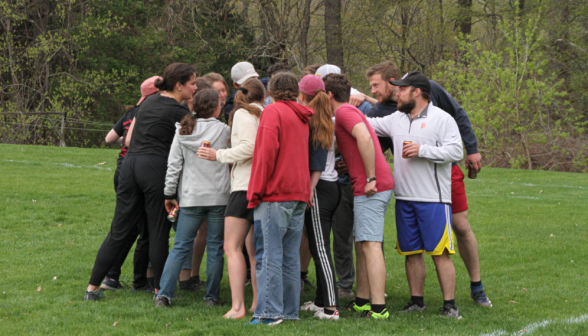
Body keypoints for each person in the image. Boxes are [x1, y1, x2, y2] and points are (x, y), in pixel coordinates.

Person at [364, 60, 491, 307]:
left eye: (401, 89)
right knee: (411, 253)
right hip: (405, 199)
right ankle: (416, 301)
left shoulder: (442, 118)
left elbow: (455, 151)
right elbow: (367, 124)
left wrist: (424, 150)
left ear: (417, 92)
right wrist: (334, 111)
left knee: (440, 253)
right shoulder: (395, 119)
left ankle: (451, 305)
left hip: (433, 200)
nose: (396, 93)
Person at [84, 63, 196, 301]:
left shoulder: (147, 103)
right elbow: (195, 143)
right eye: (193, 83)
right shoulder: (179, 112)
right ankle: (159, 291)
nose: (195, 88)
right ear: (179, 85)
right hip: (154, 169)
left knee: (119, 230)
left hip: (129, 166)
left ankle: (92, 289)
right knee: (157, 231)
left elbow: (127, 139)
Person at [325, 73, 394, 319]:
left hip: (373, 186)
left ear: (329, 95)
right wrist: (350, 166)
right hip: (367, 183)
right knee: (364, 243)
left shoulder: (344, 112)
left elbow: (364, 138)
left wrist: (370, 177)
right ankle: (363, 301)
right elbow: (359, 143)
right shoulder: (349, 112)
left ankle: (378, 308)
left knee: (372, 245)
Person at [247, 72, 314, 325]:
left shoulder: (273, 112)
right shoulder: (302, 115)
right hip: (298, 192)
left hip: (275, 193)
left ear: (271, 91)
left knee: (269, 254)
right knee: (289, 255)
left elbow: (265, 155)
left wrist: (255, 191)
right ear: (295, 90)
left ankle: (269, 313)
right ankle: (288, 311)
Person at [155, 89, 231, 307]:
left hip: (191, 197)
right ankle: (212, 297)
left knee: (180, 245)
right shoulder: (225, 131)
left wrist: (169, 193)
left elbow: (174, 166)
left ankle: (164, 295)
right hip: (219, 197)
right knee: (216, 247)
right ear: (216, 108)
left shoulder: (183, 130)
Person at [198, 78, 265, 319]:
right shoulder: (265, 112)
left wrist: (219, 154)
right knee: (255, 250)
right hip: (260, 186)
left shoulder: (243, 114)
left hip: (245, 187)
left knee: (232, 247)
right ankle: (257, 302)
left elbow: (250, 146)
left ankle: (238, 307)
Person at [100, 76, 161, 293]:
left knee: (126, 226)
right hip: (141, 170)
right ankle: (140, 281)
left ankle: (112, 277)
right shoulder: (152, 111)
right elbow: (128, 140)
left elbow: (109, 138)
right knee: (143, 229)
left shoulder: (130, 112)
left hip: (122, 169)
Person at [296, 75, 341, 320]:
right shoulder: (328, 118)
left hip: (318, 188)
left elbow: (317, 163)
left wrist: (309, 191)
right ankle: (322, 301)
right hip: (331, 187)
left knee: (321, 249)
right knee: (317, 246)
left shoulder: (311, 120)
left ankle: (331, 307)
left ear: (302, 96)